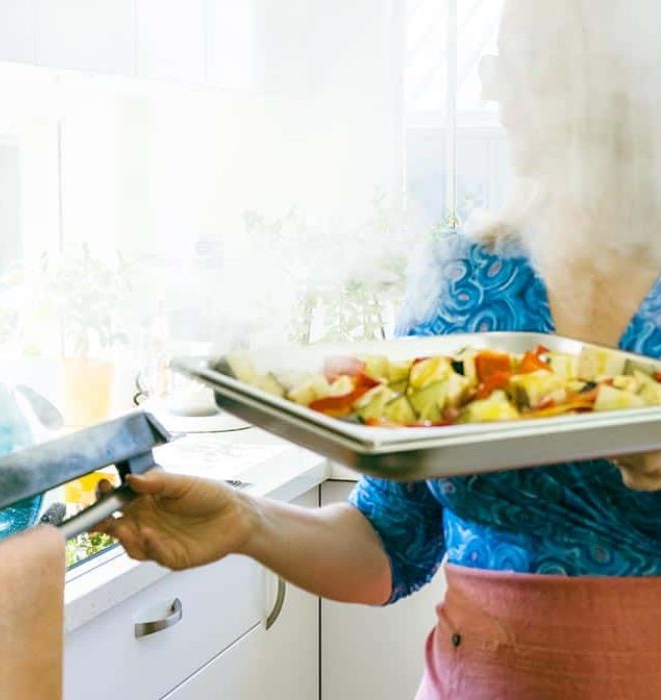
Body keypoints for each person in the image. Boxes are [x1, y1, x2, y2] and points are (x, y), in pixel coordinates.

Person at [95, 2, 661, 698]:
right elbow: (390, 545)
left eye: (531, 64)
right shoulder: (468, 276)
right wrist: (245, 521)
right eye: (498, 64)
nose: (497, 89)